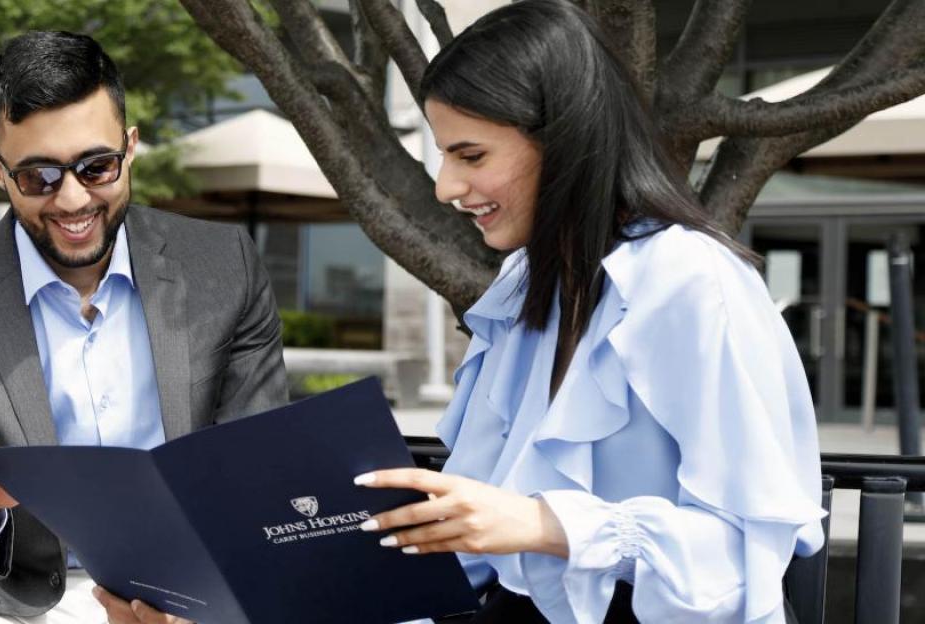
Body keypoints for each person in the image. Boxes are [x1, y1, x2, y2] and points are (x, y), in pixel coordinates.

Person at [351, 2, 826, 622]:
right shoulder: (527, 284)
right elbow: (473, 545)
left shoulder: (690, 280)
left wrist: (546, 524)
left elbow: (745, 561)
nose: (445, 187)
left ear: (564, 139)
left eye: (470, 156)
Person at [0, 31, 288, 624]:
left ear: (130, 147)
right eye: (38, 176)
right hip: (30, 602)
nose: (72, 200)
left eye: (96, 167)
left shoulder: (224, 267)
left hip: (200, 590)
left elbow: (262, 473)